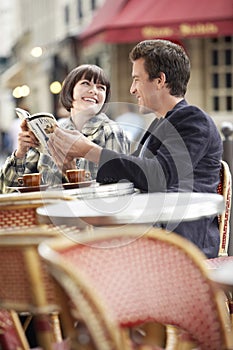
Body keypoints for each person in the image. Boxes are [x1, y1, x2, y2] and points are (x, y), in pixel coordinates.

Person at [48, 40, 223, 259]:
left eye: (137, 80)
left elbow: (160, 175)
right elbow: (133, 175)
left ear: (159, 81)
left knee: (81, 249)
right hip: (151, 231)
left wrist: (89, 150)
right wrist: (71, 166)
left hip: (181, 241)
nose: (132, 89)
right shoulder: (160, 124)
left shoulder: (193, 120)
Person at [0, 64, 130, 193]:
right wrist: (20, 153)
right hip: (47, 211)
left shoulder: (111, 131)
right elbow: (7, 190)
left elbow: (118, 190)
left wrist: (72, 174)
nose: (94, 91)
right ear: (70, 90)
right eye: (86, 83)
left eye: (101, 87)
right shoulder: (51, 131)